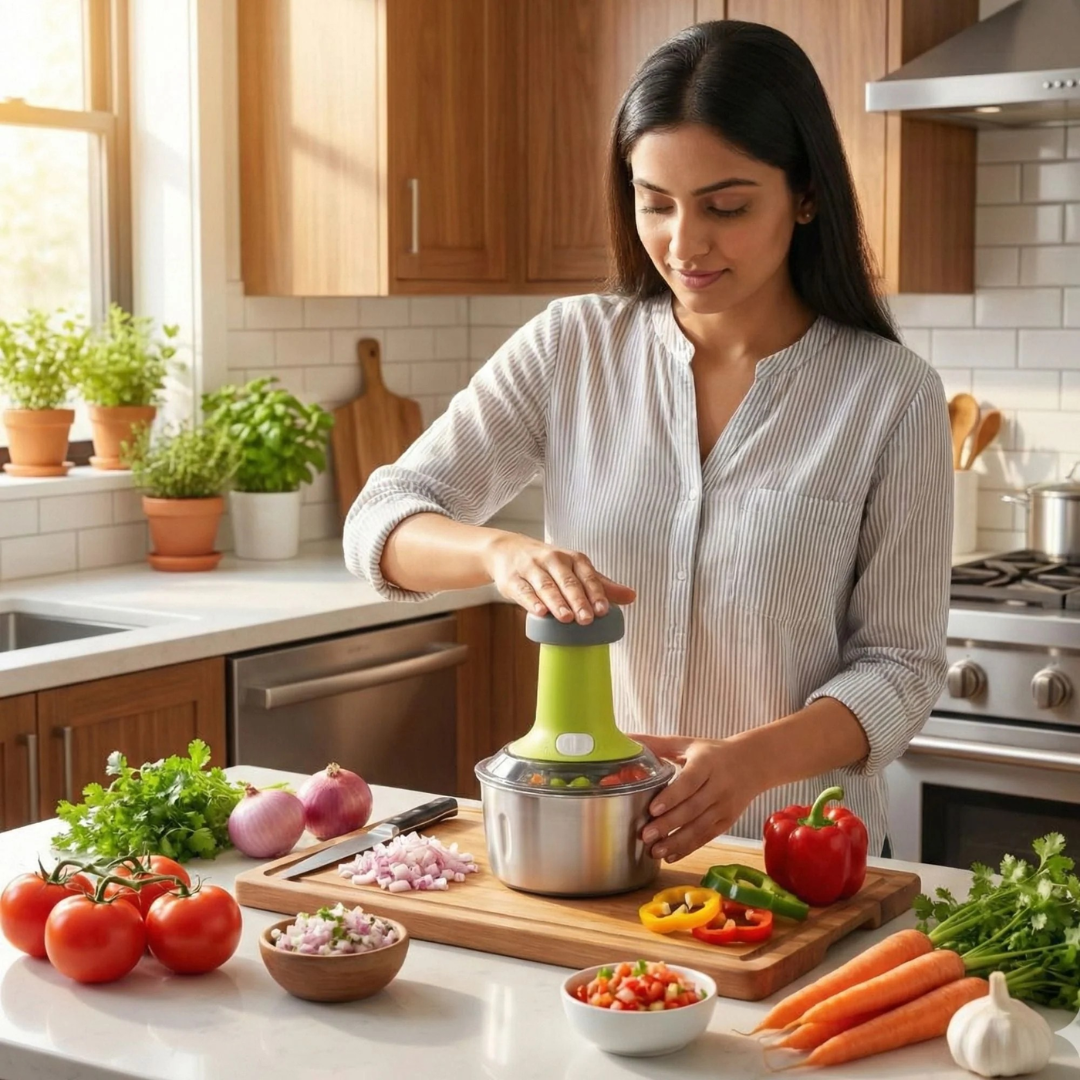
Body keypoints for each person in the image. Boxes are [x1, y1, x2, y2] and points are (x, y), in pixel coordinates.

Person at [344, 20, 951, 865]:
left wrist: (748, 765)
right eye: (654, 202)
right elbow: (380, 521)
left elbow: (901, 669)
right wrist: (499, 556)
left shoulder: (890, 396)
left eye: (726, 206)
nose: (683, 243)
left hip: (799, 862)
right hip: (597, 855)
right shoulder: (571, 347)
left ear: (805, 195)